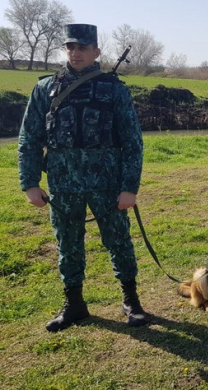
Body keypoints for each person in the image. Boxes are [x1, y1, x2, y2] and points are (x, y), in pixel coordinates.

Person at [18, 24, 148, 331]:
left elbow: (133, 141)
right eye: (70, 47)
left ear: (96, 52)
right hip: (63, 183)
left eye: (82, 48)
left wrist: (130, 187)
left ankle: (131, 300)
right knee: (68, 244)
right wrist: (30, 182)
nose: (75, 53)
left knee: (118, 240)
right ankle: (74, 304)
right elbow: (30, 138)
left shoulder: (114, 89)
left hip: (107, 181)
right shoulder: (44, 88)